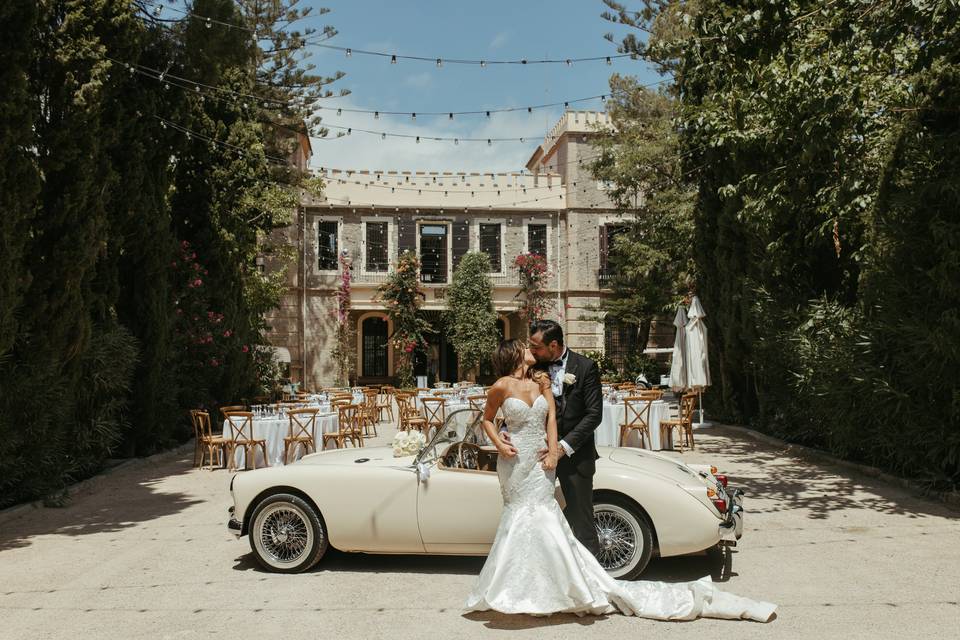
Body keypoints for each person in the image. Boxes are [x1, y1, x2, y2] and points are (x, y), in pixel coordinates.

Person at [463, 337, 776, 621]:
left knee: (544, 516)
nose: (531, 349)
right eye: (524, 347)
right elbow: (488, 419)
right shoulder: (501, 386)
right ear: (513, 354)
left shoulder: (540, 380)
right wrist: (501, 443)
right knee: (519, 519)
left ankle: (553, 583)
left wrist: (555, 452)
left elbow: (553, 418)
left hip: (542, 461)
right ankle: (517, 587)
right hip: (515, 462)